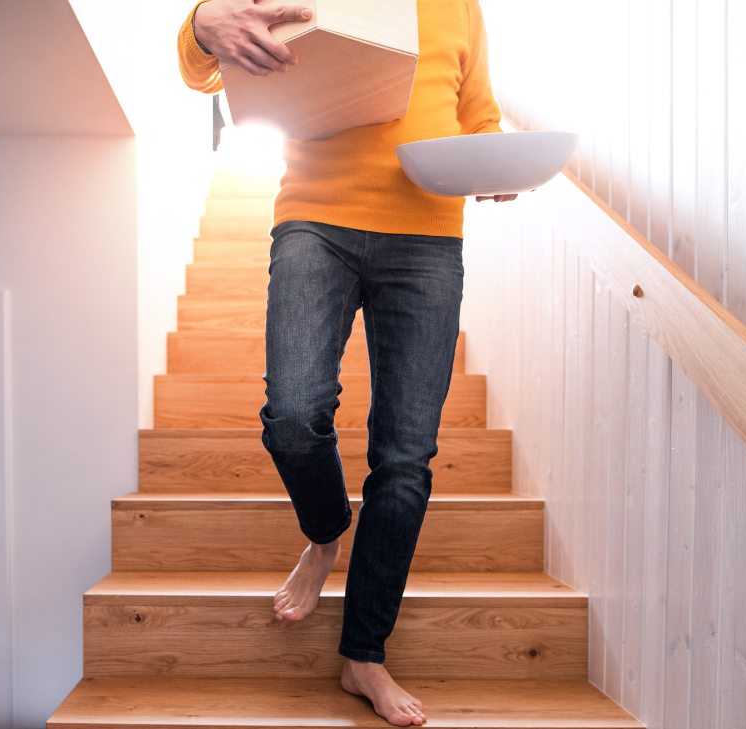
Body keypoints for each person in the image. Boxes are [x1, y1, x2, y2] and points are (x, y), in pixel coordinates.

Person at [177, 1, 516, 725]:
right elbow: (202, 65)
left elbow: (478, 113)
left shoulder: (458, 7)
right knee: (294, 416)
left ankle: (364, 655)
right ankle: (326, 533)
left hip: (428, 240)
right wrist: (204, 19)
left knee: (405, 461)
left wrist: (497, 159)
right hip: (316, 218)